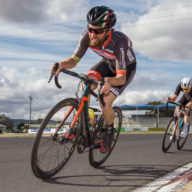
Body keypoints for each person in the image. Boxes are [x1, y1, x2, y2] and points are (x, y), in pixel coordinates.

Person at [50, 6, 136, 153]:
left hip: (124, 70)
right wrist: (62, 64)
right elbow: (74, 60)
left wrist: (109, 81)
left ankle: (109, 130)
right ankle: (81, 125)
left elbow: (121, 78)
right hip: (107, 64)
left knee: (105, 100)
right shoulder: (86, 37)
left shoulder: (119, 42)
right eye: (90, 29)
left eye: (98, 31)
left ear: (109, 30)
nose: (92, 34)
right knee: (85, 85)